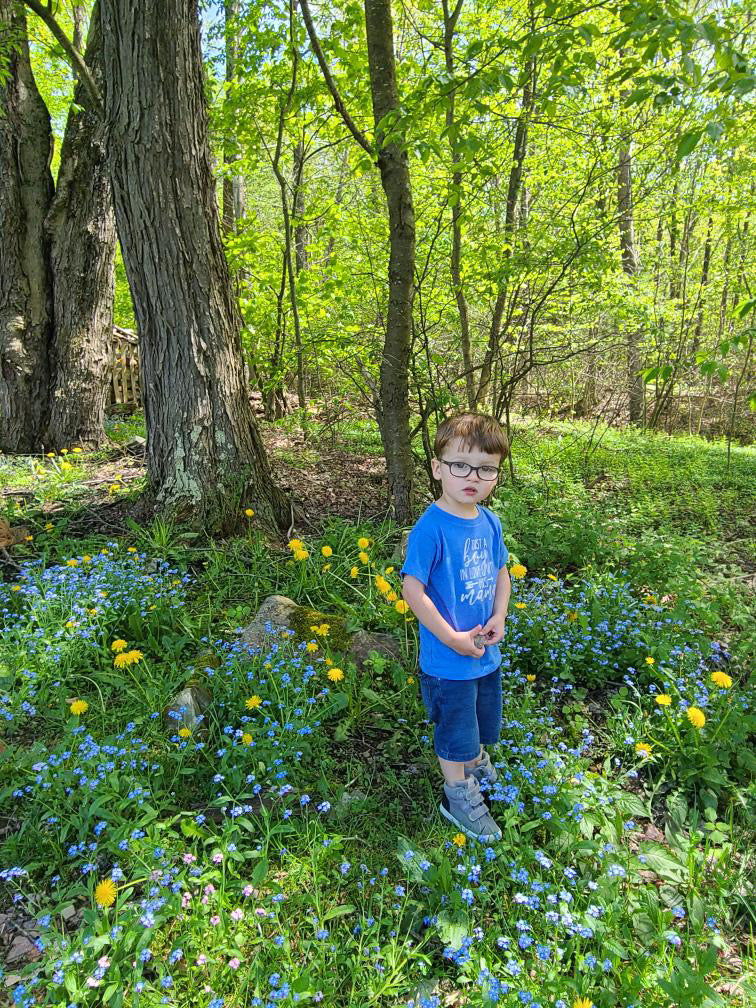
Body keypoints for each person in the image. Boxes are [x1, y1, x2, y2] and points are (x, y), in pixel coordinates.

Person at [400, 412, 511, 842]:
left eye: (486, 469)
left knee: (481, 720)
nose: (473, 476)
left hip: (484, 652)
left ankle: (476, 760)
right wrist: (451, 638)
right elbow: (413, 589)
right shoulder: (431, 527)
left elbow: (502, 571)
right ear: (437, 468)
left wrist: (499, 616)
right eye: (460, 465)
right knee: (454, 727)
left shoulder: (489, 521)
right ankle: (457, 794)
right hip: (449, 658)